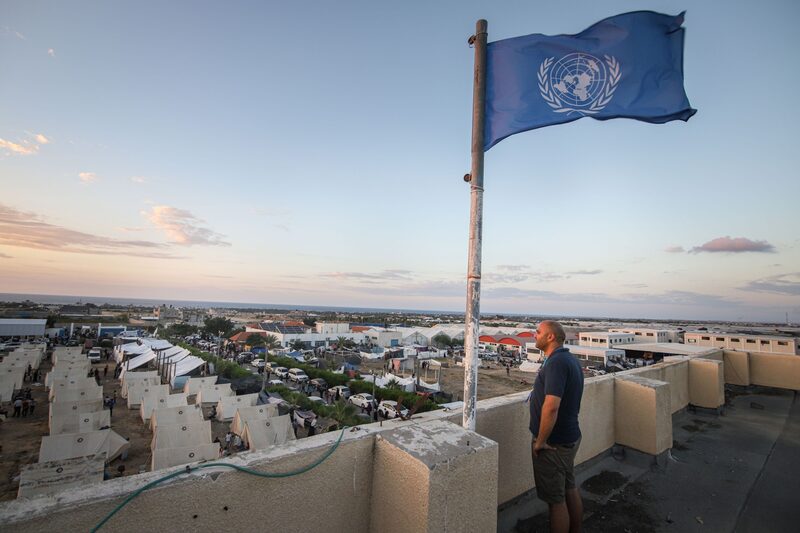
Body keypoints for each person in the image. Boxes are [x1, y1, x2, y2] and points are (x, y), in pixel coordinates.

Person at [529, 321, 584, 533]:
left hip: (554, 443)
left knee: (556, 501)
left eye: (538, 332)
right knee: (569, 488)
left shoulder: (556, 363)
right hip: (568, 437)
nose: (534, 335)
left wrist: (541, 441)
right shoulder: (568, 358)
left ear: (550, 337)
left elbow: (551, 406)